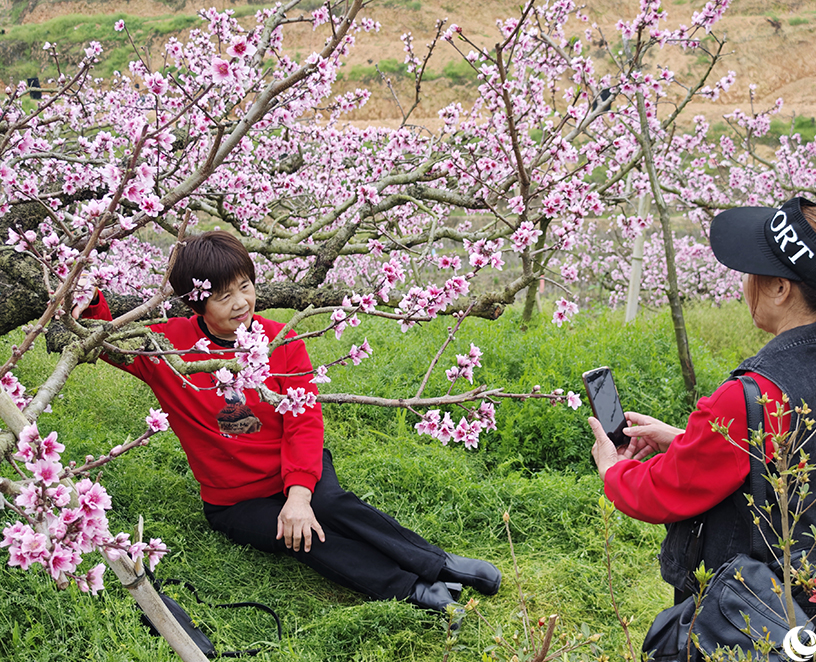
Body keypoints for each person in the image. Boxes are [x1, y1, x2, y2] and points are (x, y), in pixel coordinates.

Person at [77, 230, 501, 623]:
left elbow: (304, 421)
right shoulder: (168, 347)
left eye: (245, 286)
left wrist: (298, 495)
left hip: (296, 467)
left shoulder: (280, 340)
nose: (241, 303)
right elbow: (109, 343)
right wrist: (90, 300)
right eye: (223, 296)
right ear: (196, 303)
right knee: (300, 536)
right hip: (235, 501)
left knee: (330, 506)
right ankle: (415, 589)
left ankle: (439, 563)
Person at [588, 196, 816, 629]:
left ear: (780, 288)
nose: (746, 284)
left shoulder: (752, 396)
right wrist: (688, 440)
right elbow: (801, 464)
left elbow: (662, 490)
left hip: (749, 622)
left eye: (755, 271)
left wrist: (612, 469)